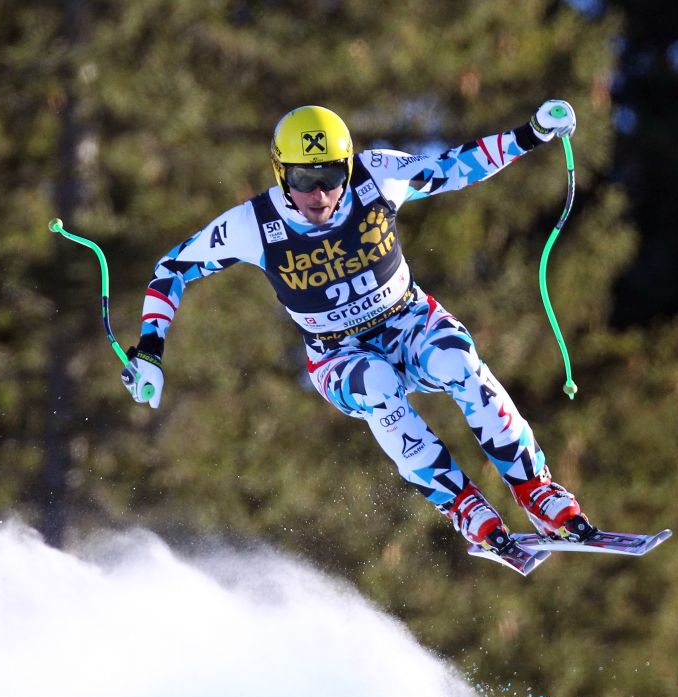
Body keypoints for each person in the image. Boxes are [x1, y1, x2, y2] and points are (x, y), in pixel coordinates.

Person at [122, 100, 598, 562]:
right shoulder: (254, 224)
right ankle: (462, 504)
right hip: (338, 356)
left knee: (458, 359)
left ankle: (536, 489)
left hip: (409, 320)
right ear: (280, 172)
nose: (319, 195)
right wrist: (150, 351)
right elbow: (173, 268)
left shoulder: (379, 174)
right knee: (379, 385)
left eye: (330, 176)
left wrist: (530, 135)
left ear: (348, 167)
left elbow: (455, 167)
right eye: (303, 180)